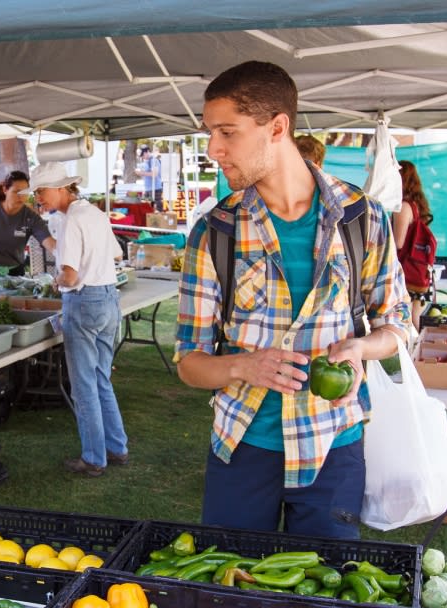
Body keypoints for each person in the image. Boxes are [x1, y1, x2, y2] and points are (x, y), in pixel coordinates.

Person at [175, 61, 410, 538]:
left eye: (227, 132)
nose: (213, 149)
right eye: (210, 133)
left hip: (333, 447)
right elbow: (189, 362)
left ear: (277, 127)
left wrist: (361, 349)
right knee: (232, 595)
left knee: (329, 597)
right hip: (242, 449)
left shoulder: (362, 218)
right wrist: (244, 366)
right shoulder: (215, 230)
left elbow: (398, 324)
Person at [26, 162, 129, 477]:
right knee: (100, 379)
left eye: (40, 192)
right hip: (109, 299)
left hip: (84, 302)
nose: (38, 199)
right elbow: (116, 255)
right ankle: (116, 447)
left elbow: (69, 276)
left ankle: (94, 458)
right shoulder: (95, 213)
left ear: (59, 189)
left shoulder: (70, 221)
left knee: (84, 386)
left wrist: (57, 280)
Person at [0, 170, 56, 291]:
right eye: (16, 192)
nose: (21, 196)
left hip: (13, 277)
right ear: (5, 190)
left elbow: (50, 244)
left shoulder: (31, 218)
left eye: (25, 192)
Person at [392, 160, 438, 328]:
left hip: (407, 272)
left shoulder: (403, 207)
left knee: (411, 320)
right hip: (419, 271)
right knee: (416, 316)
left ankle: (416, 352)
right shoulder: (417, 205)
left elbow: (398, 242)